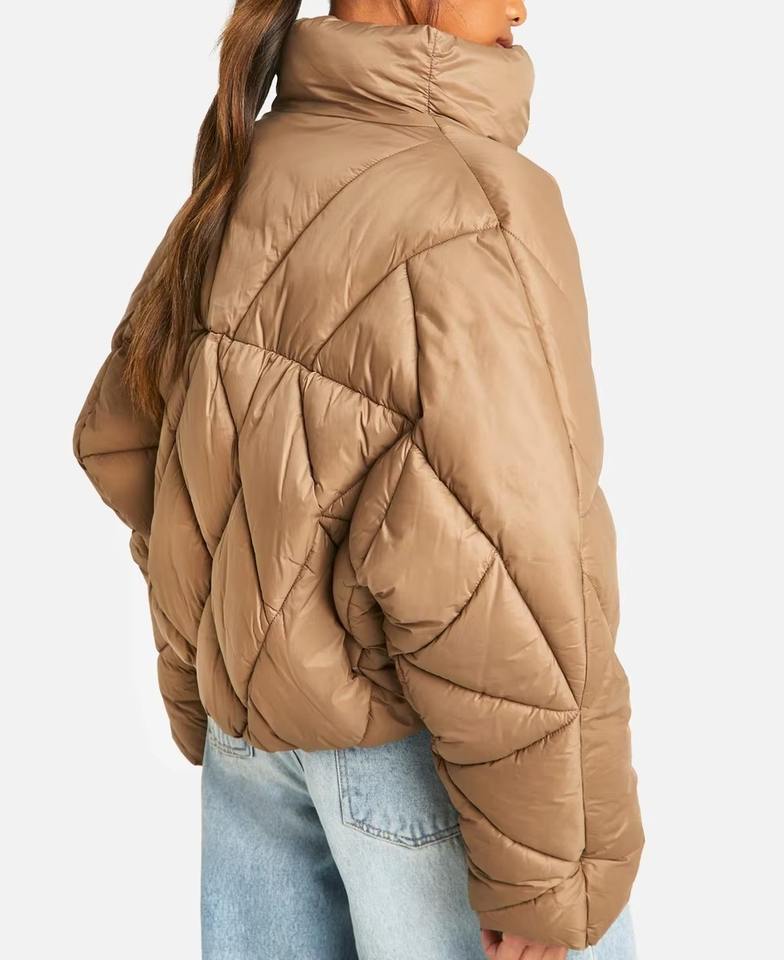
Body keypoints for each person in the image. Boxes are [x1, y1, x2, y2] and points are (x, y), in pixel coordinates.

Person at [73, 2, 644, 958]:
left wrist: (237, 637)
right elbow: (517, 565)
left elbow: (124, 435)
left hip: (252, 758)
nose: (523, 6)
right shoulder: (473, 202)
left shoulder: (251, 159)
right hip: (425, 771)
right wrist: (549, 872)